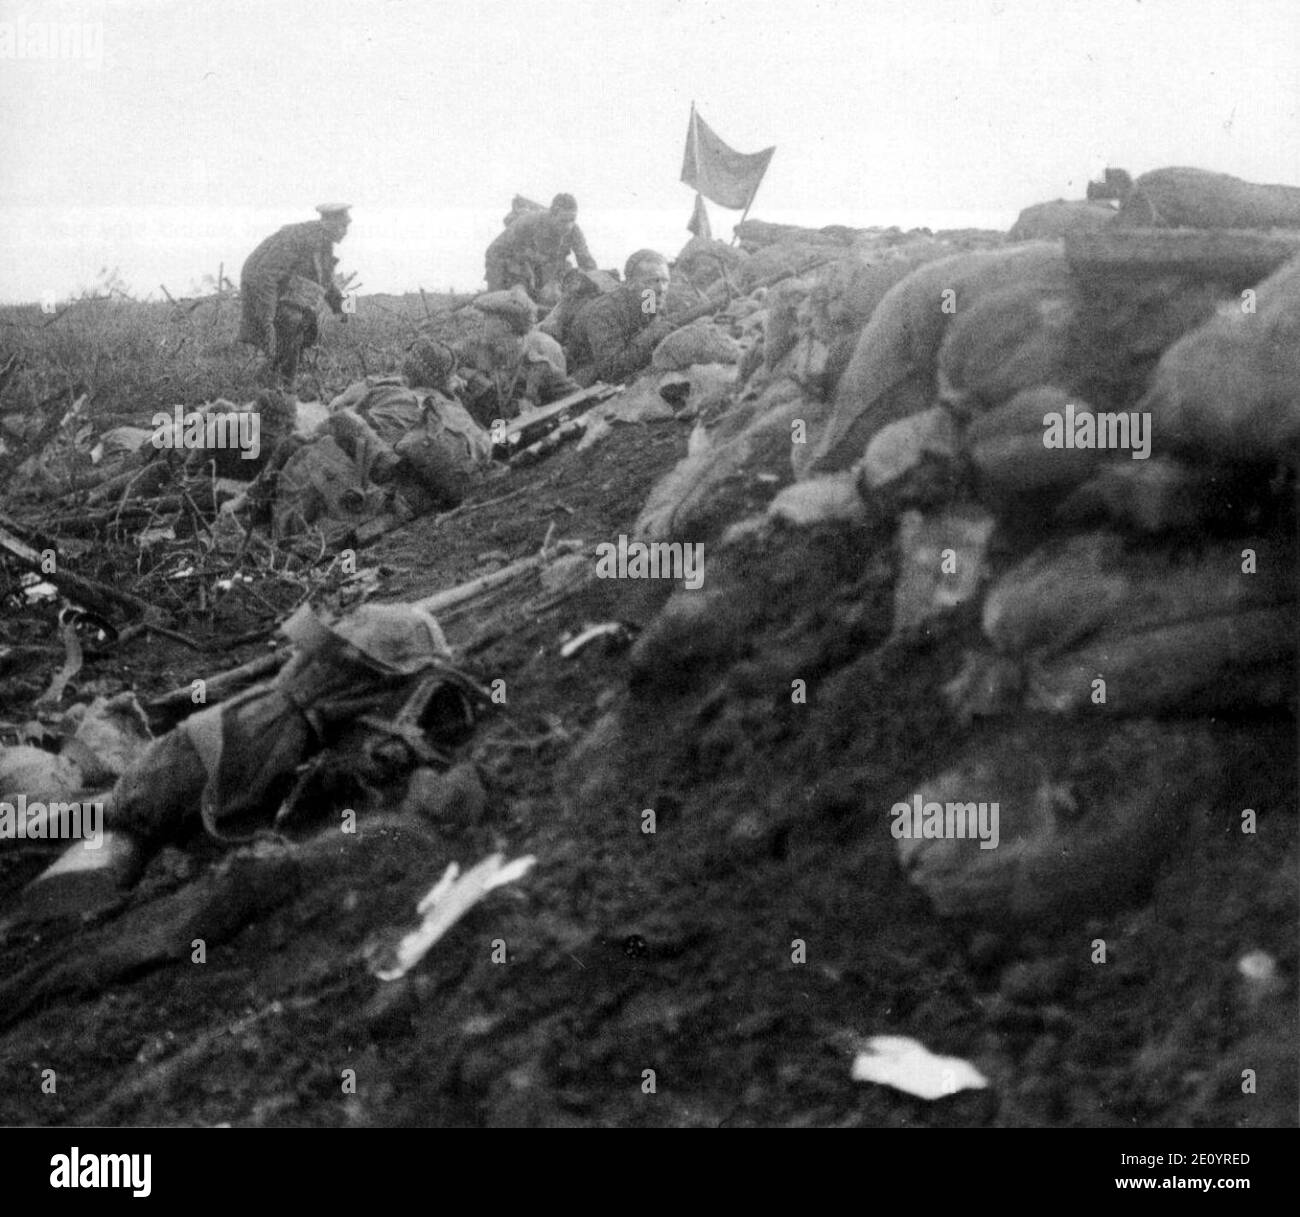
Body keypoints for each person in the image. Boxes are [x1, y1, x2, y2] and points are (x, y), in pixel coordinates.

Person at [238, 204, 351, 384]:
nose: (346, 231)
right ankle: (277, 385)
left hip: (287, 297)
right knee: (289, 323)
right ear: (327, 223)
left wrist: (346, 308)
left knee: (304, 328)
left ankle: (281, 381)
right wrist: (267, 319)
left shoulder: (324, 244)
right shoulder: (297, 238)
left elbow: (327, 281)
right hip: (261, 288)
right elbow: (265, 274)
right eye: (343, 225)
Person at [564, 249, 673, 386]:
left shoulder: (649, 302)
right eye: (652, 281)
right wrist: (651, 334)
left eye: (665, 281)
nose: (661, 289)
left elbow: (651, 328)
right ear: (630, 284)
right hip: (586, 382)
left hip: (621, 375)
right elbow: (610, 370)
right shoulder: (605, 312)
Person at [483, 193, 597, 304]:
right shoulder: (528, 223)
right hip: (518, 272)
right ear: (552, 215)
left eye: (572, 220)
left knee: (558, 296)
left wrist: (600, 287)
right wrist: (496, 293)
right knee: (519, 300)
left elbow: (586, 261)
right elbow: (494, 251)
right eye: (563, 221)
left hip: (549, 274)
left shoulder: (574, 231)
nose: (568, 226)